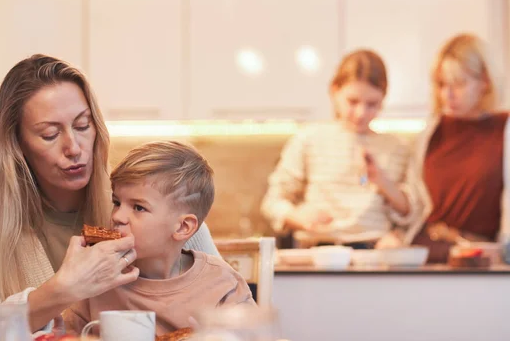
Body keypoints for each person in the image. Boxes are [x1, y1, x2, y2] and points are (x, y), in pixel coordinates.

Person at [0, 55, 218, 340]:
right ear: (18, 146)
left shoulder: (157, 208)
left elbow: (223, 305)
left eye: (82, 125)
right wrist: (62, 289)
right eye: (50, 134)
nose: (74, 147)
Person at [64, 141, 255, 337]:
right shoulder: (98, 280)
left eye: (138, 207)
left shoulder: (222, 285)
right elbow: (62, 334)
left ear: (183, 227)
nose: (117, 216)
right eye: (117, 202)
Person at [261, 49, 418, 248]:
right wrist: (298, 216)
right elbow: (272, 201)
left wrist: (382, 181)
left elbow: (411, 214)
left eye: (372, 104)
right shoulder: (309, 139)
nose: (361, 113)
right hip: (318, 251)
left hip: (375, 254)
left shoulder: (397, 148)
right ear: (334, 91)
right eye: (352, 102)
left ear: (384, 98)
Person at [403, 34, 510, 262]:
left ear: (485, 82)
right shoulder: (430, 133)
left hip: (479, 257)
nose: (447, 95)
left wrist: (504, 251)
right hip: (428, 254)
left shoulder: (504, 130)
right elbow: (415, 203)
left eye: (459, 84)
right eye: (442, 84)